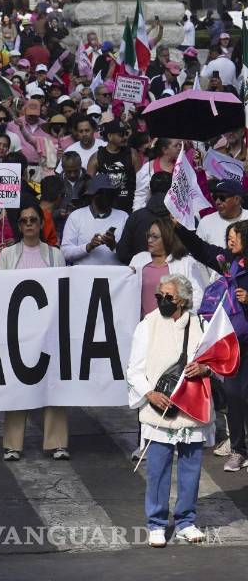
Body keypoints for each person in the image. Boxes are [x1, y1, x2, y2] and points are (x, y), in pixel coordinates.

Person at [126, 274, 212, 547]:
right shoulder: (147, 325)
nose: (162, 301)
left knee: (191, 469)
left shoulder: (202, 325)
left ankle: (186, 521)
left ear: (184, 300)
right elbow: (134, 370)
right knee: (158, 468)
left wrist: (205, 368)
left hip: (191, 411)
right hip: (159, 409)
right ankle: (157, 523)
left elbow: (217, 364)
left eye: (169, 297)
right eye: (159, 296)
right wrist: (150, 393)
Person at [172, 219, 248, 472]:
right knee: (234, 395)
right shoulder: (227, 261)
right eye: (228, 236)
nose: (230, 240)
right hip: (234, 341)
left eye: (235, 236)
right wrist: (180, 228)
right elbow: (201, 249)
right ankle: (238, 449)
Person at [0, 204, 68, 460]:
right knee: (17, 385)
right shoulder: (7, 255)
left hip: (48, 329)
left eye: (33, 220)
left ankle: (57, 442)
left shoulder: (54, 255)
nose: (28, 224)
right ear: (18, 225)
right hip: (18, 331)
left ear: (41, 223)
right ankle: (12, 444)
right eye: (24, 220)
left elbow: (63, 290)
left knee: (54, 385)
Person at [129, 219, 209, 318]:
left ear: (168, 238)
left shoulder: (186, 262)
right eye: (148, 235)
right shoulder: (138, 259)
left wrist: (183, 317)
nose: (149, 240)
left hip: (175, 324)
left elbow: (198, 295)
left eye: (155, 237)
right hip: (144, 326)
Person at [60, 174, 127, 266]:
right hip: (85, 277)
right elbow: (65, 252)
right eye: (102, 193)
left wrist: (114, 245)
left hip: (116, 278)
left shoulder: (123, 216)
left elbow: (130, 252)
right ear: (92, 195)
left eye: (109, 192)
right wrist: (89, 246)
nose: (106, 196)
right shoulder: (76, 216)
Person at [197, 179, 248, 247]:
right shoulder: (205, 222)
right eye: (215, 197)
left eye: (222, 198)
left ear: (237, 199)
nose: (217, 202)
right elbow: (199, 252)